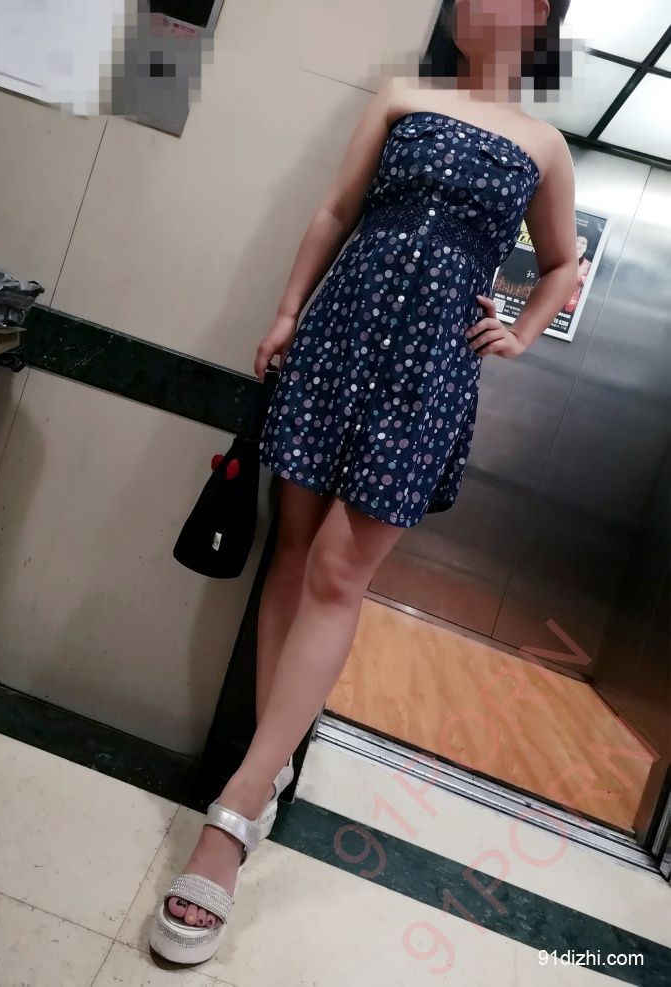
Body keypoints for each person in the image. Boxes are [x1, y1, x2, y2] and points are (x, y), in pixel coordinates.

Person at [150, 0, 579, 964]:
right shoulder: (401, 95)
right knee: (293, 551)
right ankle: (270, 770)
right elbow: (335, 211)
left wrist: (517, 329)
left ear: (542, 16)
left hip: (429, 371)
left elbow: (563, 264)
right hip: (339, 331)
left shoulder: (545, 147)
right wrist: (285, 313)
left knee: (342, 572)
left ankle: (232, 816)